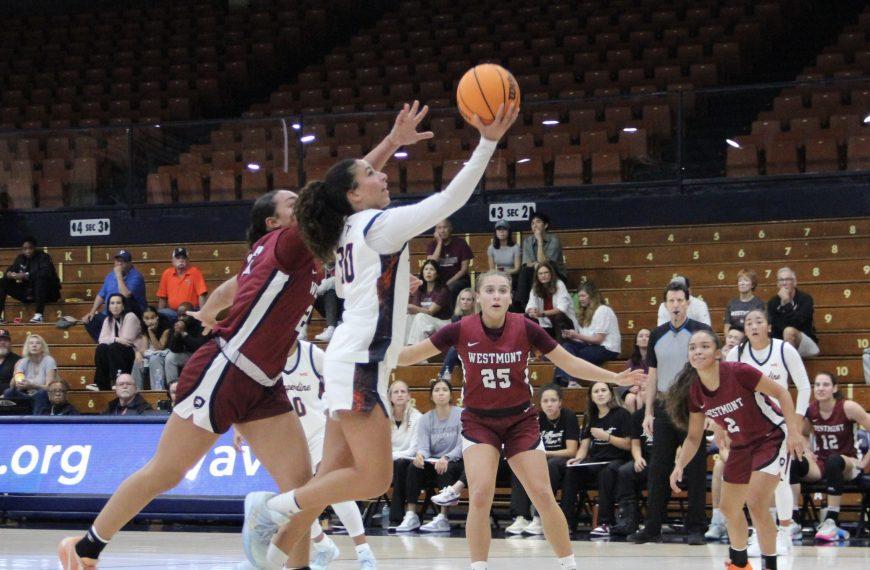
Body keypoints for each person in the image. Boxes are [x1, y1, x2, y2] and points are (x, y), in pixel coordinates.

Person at [265, 101, 520, 564]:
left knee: (333, 472)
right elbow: (449, 201)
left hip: (350, 357)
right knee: (373, 479)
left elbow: (341, 195)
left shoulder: (344, 226)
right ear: (356, 195)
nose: (382, 175)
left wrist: (391, 143)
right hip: (361, 360)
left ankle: (274, 554)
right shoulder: (378, 226)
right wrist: (487, 143)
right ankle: (274, 508)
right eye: (371, 173)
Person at [58, 188, 320, 570]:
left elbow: (236, 284)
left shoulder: (284, 253)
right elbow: (336, 192)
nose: (302, 206)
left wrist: (209, 309)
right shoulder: (286, 242)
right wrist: (391, 143)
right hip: (226, 369)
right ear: (274, 223)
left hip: (264, 380)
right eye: (292, 204)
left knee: (300, 485)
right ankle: (85, 548)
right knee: (167, 471)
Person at [395, 270, 645, 570]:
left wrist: (614, 376)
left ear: (511, 297)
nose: (496, 296)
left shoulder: (525, 327)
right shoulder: (459, 329)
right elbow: (408, 356)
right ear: (478, 297)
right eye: (489, 290)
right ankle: (478, 566)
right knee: (479, 495)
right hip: (479, 422)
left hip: (519, 421)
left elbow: (569, 362)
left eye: (502, 290)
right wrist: (370, 349)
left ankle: (568, 564)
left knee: (542, 493)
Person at [666, 329, 804, 570]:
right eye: (693, 347)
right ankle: (740, 565)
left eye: (705, 346)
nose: (698, 351)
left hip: (770, 437)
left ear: (718, 353)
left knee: (756, 501)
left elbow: (782, 392)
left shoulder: (738, 372)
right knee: (728, 509)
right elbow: (693, 437)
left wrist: (794, 432)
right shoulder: (695, 391)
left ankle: (770, 565)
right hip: (741, 446)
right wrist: (679, 465)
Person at [236, 339, 378, 569]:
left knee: (333, 488)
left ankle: (363, 551)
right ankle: (323, 545)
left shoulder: (311, 353)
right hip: (288, 437)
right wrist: (237, 427)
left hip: (317, 433)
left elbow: (342, 377)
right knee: (298, 498)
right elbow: (245, 391)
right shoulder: (267, 355)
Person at [630, 280, 713, 545]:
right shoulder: (656, 334)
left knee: (696, 467)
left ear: (688, 302)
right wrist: (648, 411)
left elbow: (711, 373)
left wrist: (710, 408)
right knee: (658, 468)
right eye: (671, 301)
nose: (675, 305)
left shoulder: (701, 332)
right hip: (665, 406)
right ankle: (653, 526)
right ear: (665, 305)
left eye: (680, 300)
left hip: (694, 406)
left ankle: (696, 527)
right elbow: (652, 376)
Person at [725, 308, 812, 552]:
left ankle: (784, 532)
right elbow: (727, 390)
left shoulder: (784, 350)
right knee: (750, 483)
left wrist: (795, 425)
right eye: (748, 322)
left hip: (779, 424)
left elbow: (804, 388)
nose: (753, 326)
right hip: (748, 427)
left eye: (758, 321)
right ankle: (761, 531)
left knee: (781, 479)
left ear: (769, 327)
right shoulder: (736, 353)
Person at [792, 372, 870, 542]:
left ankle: (831, 520)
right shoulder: (811, 410)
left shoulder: (848, 407)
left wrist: (865, 461)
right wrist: (806, 451)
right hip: (821, 462)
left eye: (825, 384)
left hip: (848, 462)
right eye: (817, 385)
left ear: (834, 388)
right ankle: (794, 520)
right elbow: (803, 434)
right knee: (794, 461)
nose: (820, 388)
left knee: (834, 460)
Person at [506, 384, 579, 536]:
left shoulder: (569, 416)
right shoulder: (536, 418)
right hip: (542, 458)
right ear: (540, 404)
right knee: (521, 466)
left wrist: (547, 453)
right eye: (545, 401)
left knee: (550, 465)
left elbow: (571, 450)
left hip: (563, 460)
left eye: (553, 400)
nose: (549, 404)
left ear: (560, 402)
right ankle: (521, 517)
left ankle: (540, 517)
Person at [395, 378, 464, 533]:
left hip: (454, 461)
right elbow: (424, 446)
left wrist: (446, 458)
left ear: (451, 395)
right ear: (431, 396)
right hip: (432, 460)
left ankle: (443, 517)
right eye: (437, 390)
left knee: (444, 467)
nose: (441, 393)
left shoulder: (460, 415)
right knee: (414, 467)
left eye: (444, 390)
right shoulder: (426, 419)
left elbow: (461, 445)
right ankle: (411, 514)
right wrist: (420, 455)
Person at [564, 382, 632, 536]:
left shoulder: (622, 414)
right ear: (591, 396)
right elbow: (584, 445)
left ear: (610, 394)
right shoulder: (591, 416)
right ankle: (567, 522)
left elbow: (628, 444)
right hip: (596, 460)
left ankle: (605, 523)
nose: (600, 394)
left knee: (606, 473)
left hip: (617, 460)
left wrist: (607, 437)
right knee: (572, 471)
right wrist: (578, 459)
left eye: (603, 390)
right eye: (596, 391)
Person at [553, 281, 621, 386]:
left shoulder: (603, 310)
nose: (581, 299)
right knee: (566, 347)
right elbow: (585, 339)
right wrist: (571, 336)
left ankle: (568, 382)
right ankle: (565, 382)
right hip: (591, 346)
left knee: (579, 355)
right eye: (579, 296)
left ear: (592, 296)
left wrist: (576, 335)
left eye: (583, 296)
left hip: (607, 348)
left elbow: (598, 339)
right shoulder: (584, 313)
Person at [610, 380, 652, 536]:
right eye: (640, 389)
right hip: (645, 459)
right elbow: (635, 444)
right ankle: (628, 520)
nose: (641, 392)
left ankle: (654, 521)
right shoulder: (637, 417)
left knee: (657, 473)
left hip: (663, 461)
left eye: (646, 389)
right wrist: (638, 457)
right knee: (625, 471)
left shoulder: (666, 412)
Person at [81, 250, 147, 342]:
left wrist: (118, 275)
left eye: (122, 261)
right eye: (117, 261)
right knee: (91, 322)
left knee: (122, 312)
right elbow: (101, 295)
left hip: (131, 312)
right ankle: (107, 343)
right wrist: (92, 311)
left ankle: (122, 342)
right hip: (111, 311)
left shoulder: (136, 276)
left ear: (130, 263)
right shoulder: (110, 276)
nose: (119, 264)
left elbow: (125, 296)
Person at [0, 236, 61, 324]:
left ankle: (39, 315)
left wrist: (26, 275)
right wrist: (9, 274)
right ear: (22, 249)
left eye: (30, 248)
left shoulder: (43, 257)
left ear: (34, 248)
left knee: (40, 279)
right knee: (2, 282)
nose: (27, 251)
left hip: (47, 294)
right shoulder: (20, 258)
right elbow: (12, 269)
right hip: (28, 293)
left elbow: (45, 272)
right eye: (25, 249)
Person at [388, 380, 422, 526]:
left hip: (407, 462)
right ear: (390, 397)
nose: (400, 395)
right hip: (386, 464)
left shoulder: (417, 417)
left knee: (401, 465)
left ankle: (397, 515)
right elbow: (381, 447)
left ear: (409, 396)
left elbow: (413, 450)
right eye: (396, 392)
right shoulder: (383, 419)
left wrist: (391, 456)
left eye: (403, 392)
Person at [515, 212, 565, 311]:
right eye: (532, 223)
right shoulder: (527, 241)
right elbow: (527, 263)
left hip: (555, 273)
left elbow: (544, 264)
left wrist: (540, 242)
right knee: (525, 271)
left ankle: (527, 307)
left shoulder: (554, 240)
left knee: (538, 269)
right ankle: (523, 306)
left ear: (545, 225)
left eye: (538, 222)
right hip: (536, 272)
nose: (535, 225)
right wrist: (537, 264)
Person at [767, 267, 819, 358]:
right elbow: (775, 329)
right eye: (781, 280)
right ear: (777, 284)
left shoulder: (805, 299)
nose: (784, 283)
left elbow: (797, 324)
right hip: (782, 344)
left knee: (789, 331)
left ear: (794, 282)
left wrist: (787, 303)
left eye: (787, 279)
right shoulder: (773, 303)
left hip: (805, 343)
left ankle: (789, 366)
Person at [92, 293, 141, 391]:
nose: (115, 306)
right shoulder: (108, 320)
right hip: (115, 351)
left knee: (114, 347)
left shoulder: (130, 316)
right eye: (112, 303)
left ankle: (117, 380)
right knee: (101, 348)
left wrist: (112, 339)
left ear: (123, 306)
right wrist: (116, 338)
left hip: (132, 353)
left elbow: (127, 340)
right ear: (108, 306)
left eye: (118, 303)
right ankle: (100, 383)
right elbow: (101, 340)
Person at [3, 333, 58, 414]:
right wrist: (16, 376)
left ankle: (36, 421)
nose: (34, 345)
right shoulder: (23, 361)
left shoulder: (49, 360)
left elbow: (50, 388)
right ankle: (11, 422)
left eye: (37, 343)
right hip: (25, 395)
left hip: (42, 396)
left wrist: (32, 385)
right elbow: (12, 385)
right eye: (31, 343)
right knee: (9, 392)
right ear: (27, 347)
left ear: (42, 347)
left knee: (42, 393)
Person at [525, 261, 577, 341]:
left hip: (565, 323)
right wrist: (532, 310)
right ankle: (531, 349)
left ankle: (563, 346)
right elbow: (531, 304)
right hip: (547, 324)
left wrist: (542, 313)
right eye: (540, 273)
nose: (543, 276)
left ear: (551, 274)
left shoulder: (559, 284)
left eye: (546, 272)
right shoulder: (535, 287)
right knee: (526, 317)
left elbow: (562, 309)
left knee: (558, 317)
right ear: (537, 276)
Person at [405, 259, 452, 345]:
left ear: (437, 274)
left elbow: (430, 312)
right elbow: (414, 311)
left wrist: (413, 307)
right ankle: (405, 347)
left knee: (420, 316)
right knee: (408, 317)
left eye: (432, 269)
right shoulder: (420, 289)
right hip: (426, 322)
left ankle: (415, 349)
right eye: (426, 269)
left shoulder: (443, 290)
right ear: (422, 273)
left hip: (442, 323)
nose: (428, 272)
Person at [156, 247, 208, 322]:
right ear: (172, 261)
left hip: (190, 312)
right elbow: (162, 297)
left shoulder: (195, 272)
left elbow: (202, 294)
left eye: (183, 258)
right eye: (178, 258)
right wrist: (159, 315)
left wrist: (203, 315)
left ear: (188, 260)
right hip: (173, 312)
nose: (181, 260)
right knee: (159, 314)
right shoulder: (167, 273)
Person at [426, 218, 474, 299]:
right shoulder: (433, 244)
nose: (442, 230)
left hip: (458, 280)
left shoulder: (461, 243)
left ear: (450, 228)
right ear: (436, 230)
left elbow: (464, 269)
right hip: (439, 280)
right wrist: (439, 243)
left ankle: (451, 312)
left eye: (445, 227)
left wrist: (448, 283)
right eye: (439, 228)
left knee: (450, 288)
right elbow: (431, 264)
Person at [164, 304, 210, 385]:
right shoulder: (177, 324)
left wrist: (183, 333)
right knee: (170, 357)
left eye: (184, 315)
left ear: (192, 313)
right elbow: (174, 349)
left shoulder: (202, 323)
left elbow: (199, 347)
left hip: (201, 355)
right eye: (179, 315)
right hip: (187, 355)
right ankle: (172, 386)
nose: (181, 318)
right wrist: (176, 334)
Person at [439, 288, 477, 381]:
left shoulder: (478, 318)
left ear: (473, 302)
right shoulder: (455, 318)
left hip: (475, 353)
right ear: (459, 301)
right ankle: (444, 377)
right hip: (459, 353)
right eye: (462, 299)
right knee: (455, 348)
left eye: (468, 300)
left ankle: (443, 377)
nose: (465, 302)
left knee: (455, 348)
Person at [132, 306, 171, 390]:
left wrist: (150, 332)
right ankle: (136, 391)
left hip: (165, 354)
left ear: (157, 317)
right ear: (143, 319)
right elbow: (144, 348)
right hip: (153, 353)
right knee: (137, 361)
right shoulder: (144, 327)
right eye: (147, 318)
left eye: (152, 318)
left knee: (154, 359)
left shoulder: (165, 327)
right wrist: (138, 353)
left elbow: (159, 347)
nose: (150, 321)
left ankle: (158, 391)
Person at [724, 269, 766, 334]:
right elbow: (727, 325)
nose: (742, 283)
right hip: (735, 339)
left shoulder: (759, 304)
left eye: (746, 280)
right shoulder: (731, 303)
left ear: (752, 284)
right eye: (740, 281)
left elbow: (760, 326)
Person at [622, 328, 650, 413]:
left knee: (641, 397)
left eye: (647, 336)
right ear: (636, 342)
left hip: (651, 389)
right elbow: (624, 379)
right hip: (635, 390)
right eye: (641, 336)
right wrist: (630, 388)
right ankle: (633, 423)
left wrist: (646, 386)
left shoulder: (657, 359)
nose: (644, 338)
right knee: (630, 399)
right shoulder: (630, 362)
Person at [312, 262, 342, 342]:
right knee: (310, 294)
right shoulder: (318, 267)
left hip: (342, 305)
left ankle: (331, 327)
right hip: (327, 307)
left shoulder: (343, 264)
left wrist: (331, 282)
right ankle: (302, 330)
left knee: (330, 290)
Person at [0, 328, 21, 393]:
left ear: (10, 343)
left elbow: (17, 384)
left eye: (5, 340)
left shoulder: (18, 360)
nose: (2, 342)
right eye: (0, 340)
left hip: (8, 398)